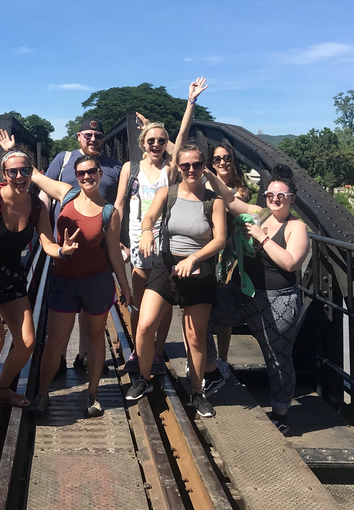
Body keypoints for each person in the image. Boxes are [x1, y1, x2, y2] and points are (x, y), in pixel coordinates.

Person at [0, 139, 73, 411]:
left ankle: (2, 388)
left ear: (31, 172)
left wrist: (61, 251)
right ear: (4, 175)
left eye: (25, 171)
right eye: (12, 172)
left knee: (27, 342)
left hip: (13, 277)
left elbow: (47, 242)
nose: (19, 177)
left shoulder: (37, 206)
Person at [204, 163, 309, 435]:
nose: (274, 199)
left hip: (278, 301)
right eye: (270, 195)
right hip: (242, 294)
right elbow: (229, 199)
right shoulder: (260, 213)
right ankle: (213, 371)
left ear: (291, 199)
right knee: (201, 316)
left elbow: (291, 263)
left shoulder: (296, 227)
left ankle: (281, 415)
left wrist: (263, 238)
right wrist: (207, 174)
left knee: (277, 358)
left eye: (281, 196)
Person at [114, 78, 209, 377]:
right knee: (137, 302)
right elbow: (118, 204)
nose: (155, 144)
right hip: (137, 239)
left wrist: (190, 102)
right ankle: (136, 350)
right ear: (142, 144)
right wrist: (116, 240)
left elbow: (181, 136)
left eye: (159, 140)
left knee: (164, 302)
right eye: (150, 140)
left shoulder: (171, 169)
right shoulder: (130, 168)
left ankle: (156, 352)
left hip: (164, 244)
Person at [28, 154, 133, 419]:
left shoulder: (110, 212)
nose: (87, 177)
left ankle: (93, 395)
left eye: (92, 172)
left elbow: (112, 252)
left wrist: (124, 285)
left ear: (99, 174)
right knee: (56, 341)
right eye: (82, 173)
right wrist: (11, 149)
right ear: (76, 176)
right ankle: (42, 394)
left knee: (95, 338)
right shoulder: (67, 196)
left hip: (96, 282)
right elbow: (34, 175)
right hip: (64, 281)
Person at [125, 144, 226, 419]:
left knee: (195, 338)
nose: (191, 170)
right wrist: (147, 232)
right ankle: (144, 378)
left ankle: (197, 392)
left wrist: (194, 258)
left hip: (198, 270)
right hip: (165, 265)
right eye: (185, 165)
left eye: (196, 165)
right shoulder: (166, 193)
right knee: (145, 325)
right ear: (178, 168)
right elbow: (149, 217)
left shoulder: (213, 201)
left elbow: (219, 239)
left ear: (203, 166)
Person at [40, 118, 122, 372]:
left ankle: (85, 356)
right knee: (61, 311)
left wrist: (123, 243)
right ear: (78, 136)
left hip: (97, 248)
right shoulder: (63, 159)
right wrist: (41, 230)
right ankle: (58, 361)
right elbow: (44, 192)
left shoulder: (116, 168)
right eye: (88, 135)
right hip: (62, 248)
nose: (93, 139)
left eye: (98, 136)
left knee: (92, 309)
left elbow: (121, 207)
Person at [206, 140, 251, 379]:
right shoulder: (203, 183)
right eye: (217, 159)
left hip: (230, 255)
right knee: (201, 305)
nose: (222, 162)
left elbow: (231, 203)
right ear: (210, 163)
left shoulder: (240, 189)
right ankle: (202, 355)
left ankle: (222, 359)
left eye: (227, 158)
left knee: (224, 308)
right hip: (206, 251)